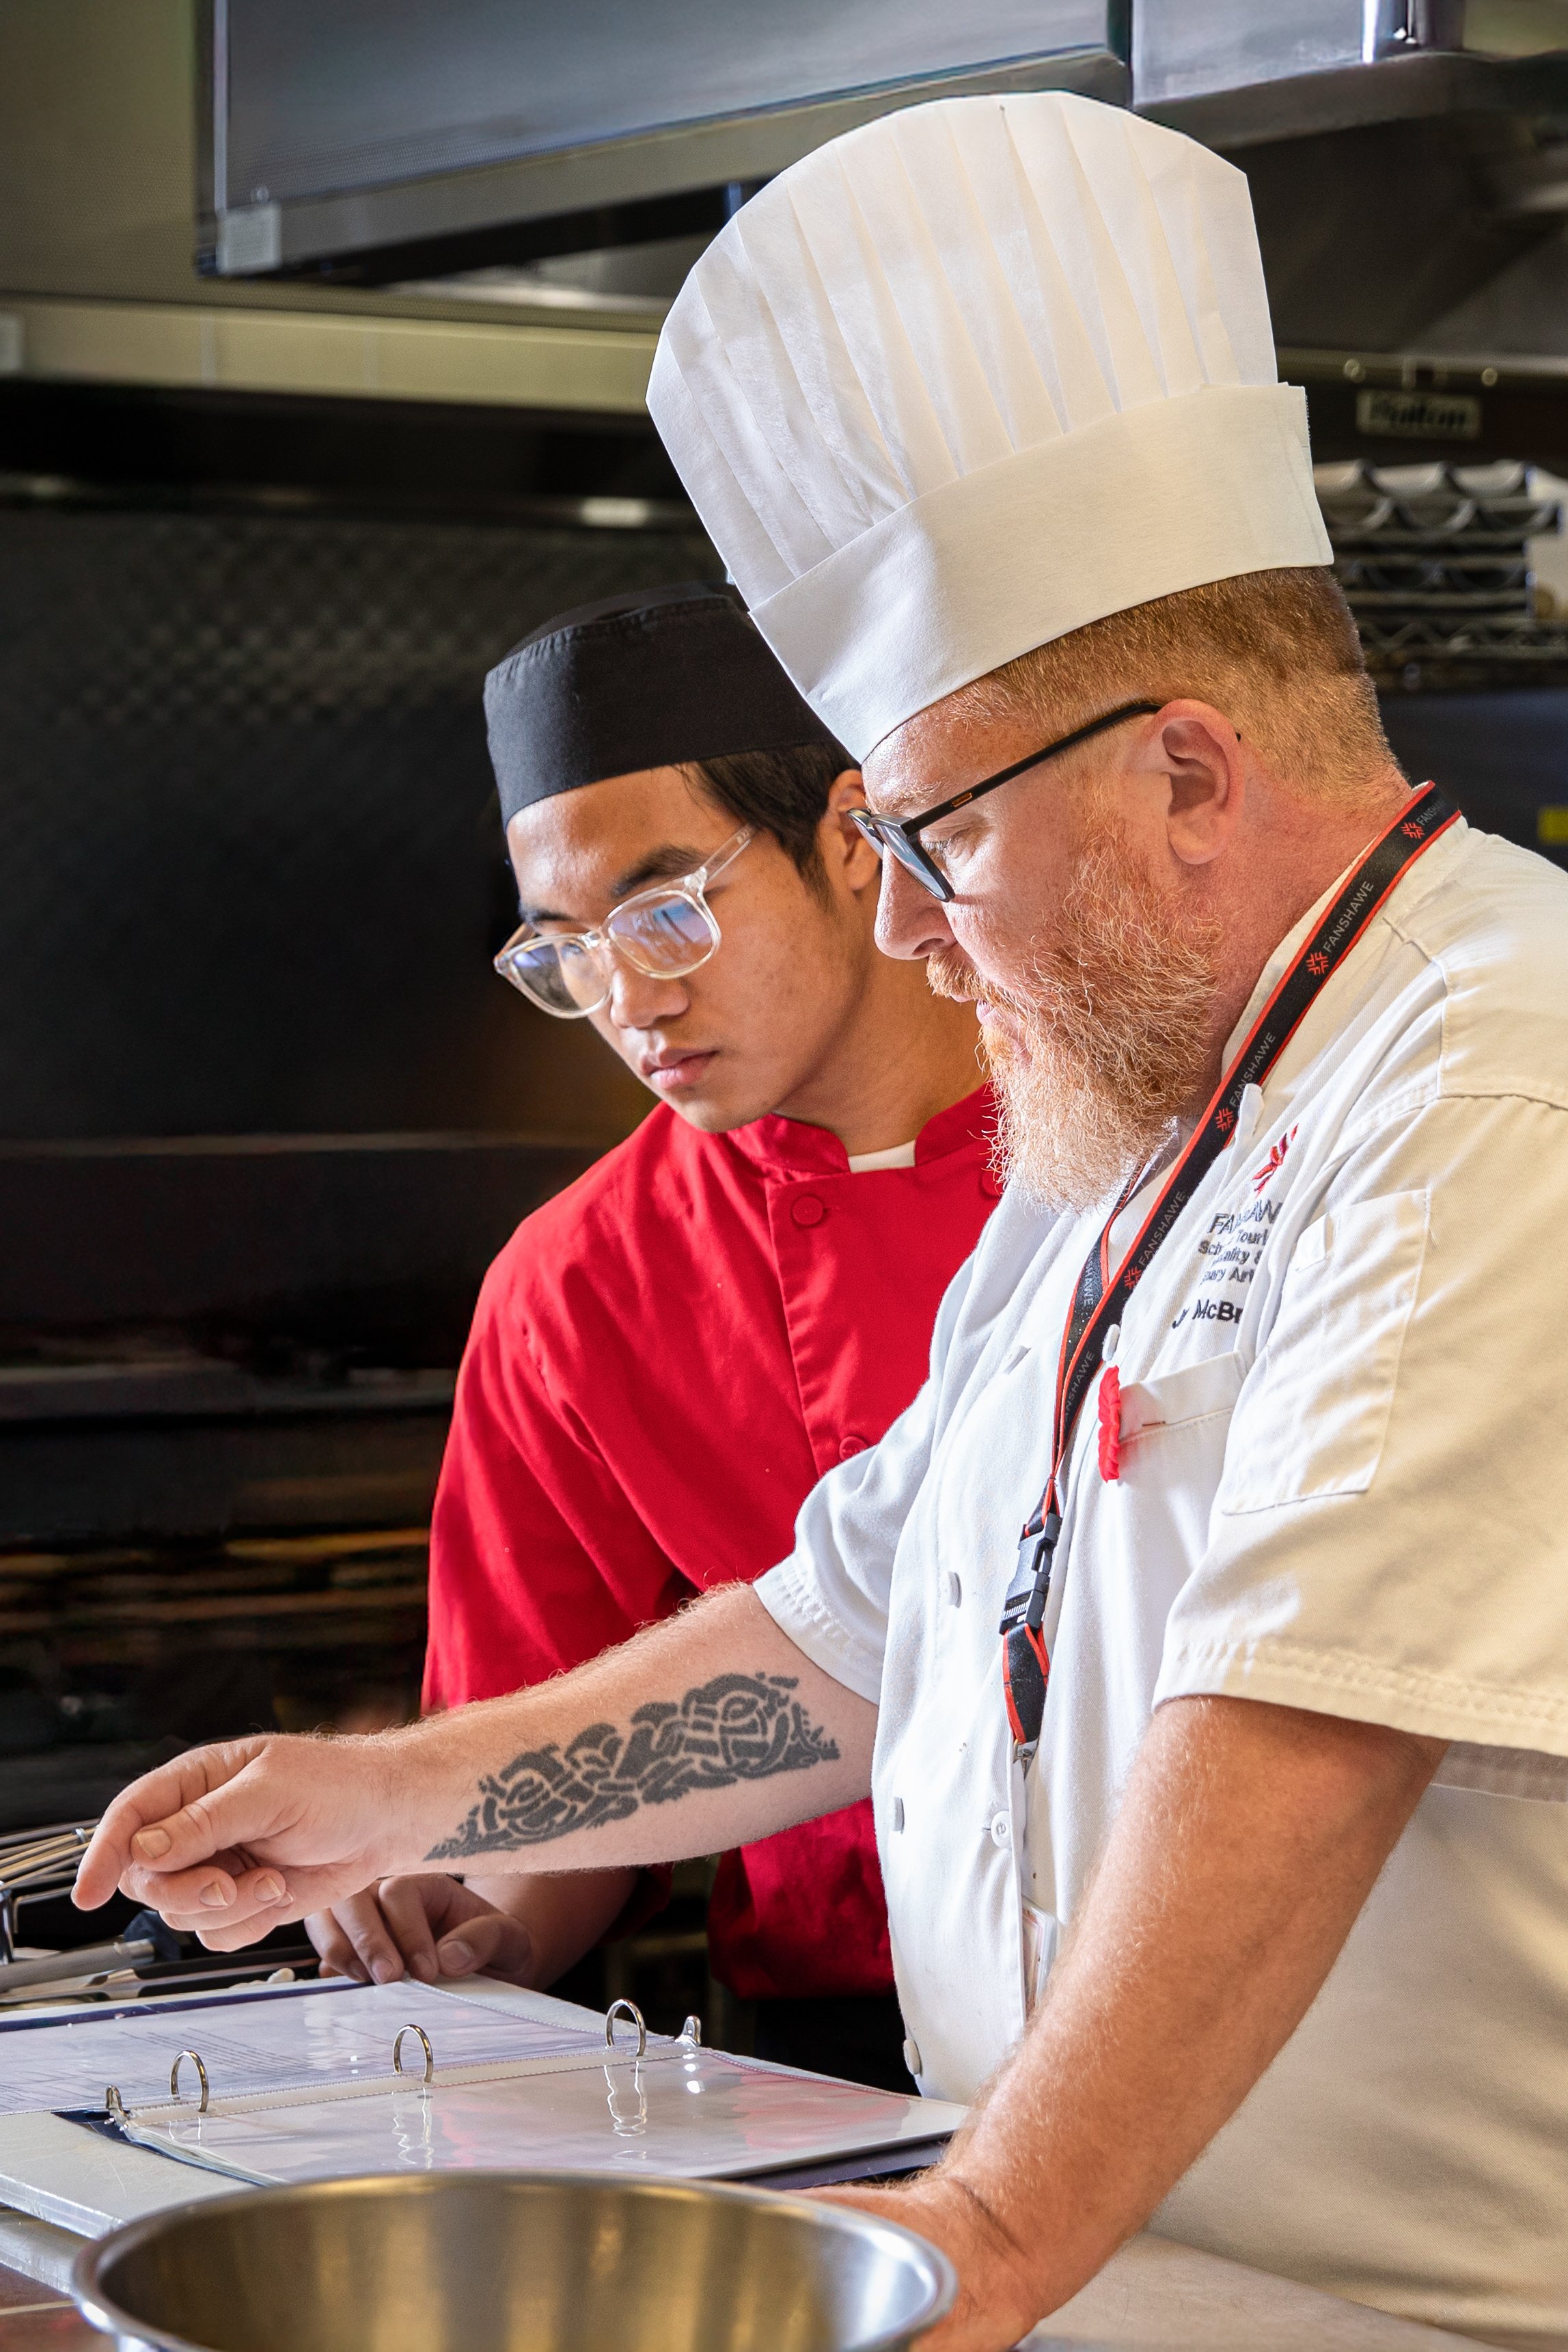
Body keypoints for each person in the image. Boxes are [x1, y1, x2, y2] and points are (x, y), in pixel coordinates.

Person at [77, 91, 1568, 2352]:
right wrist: (403, 1794)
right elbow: (838, 1642)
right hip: (1091, 2282)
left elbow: (1299, 1739)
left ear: (1185, 770)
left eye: (939, 838)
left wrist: (962, 2251)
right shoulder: (1120, 1133)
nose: (917, 938)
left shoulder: (1488, 1069)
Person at [304, 581, 994, 2093]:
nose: (627, 1000)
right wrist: (472, 1911)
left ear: (847, 830)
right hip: (826, 2048)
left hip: (1195, 1984)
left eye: (665, 910)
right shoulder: (570, 1287)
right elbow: (531, 1756)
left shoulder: (1112, 1161)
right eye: (564, 948)